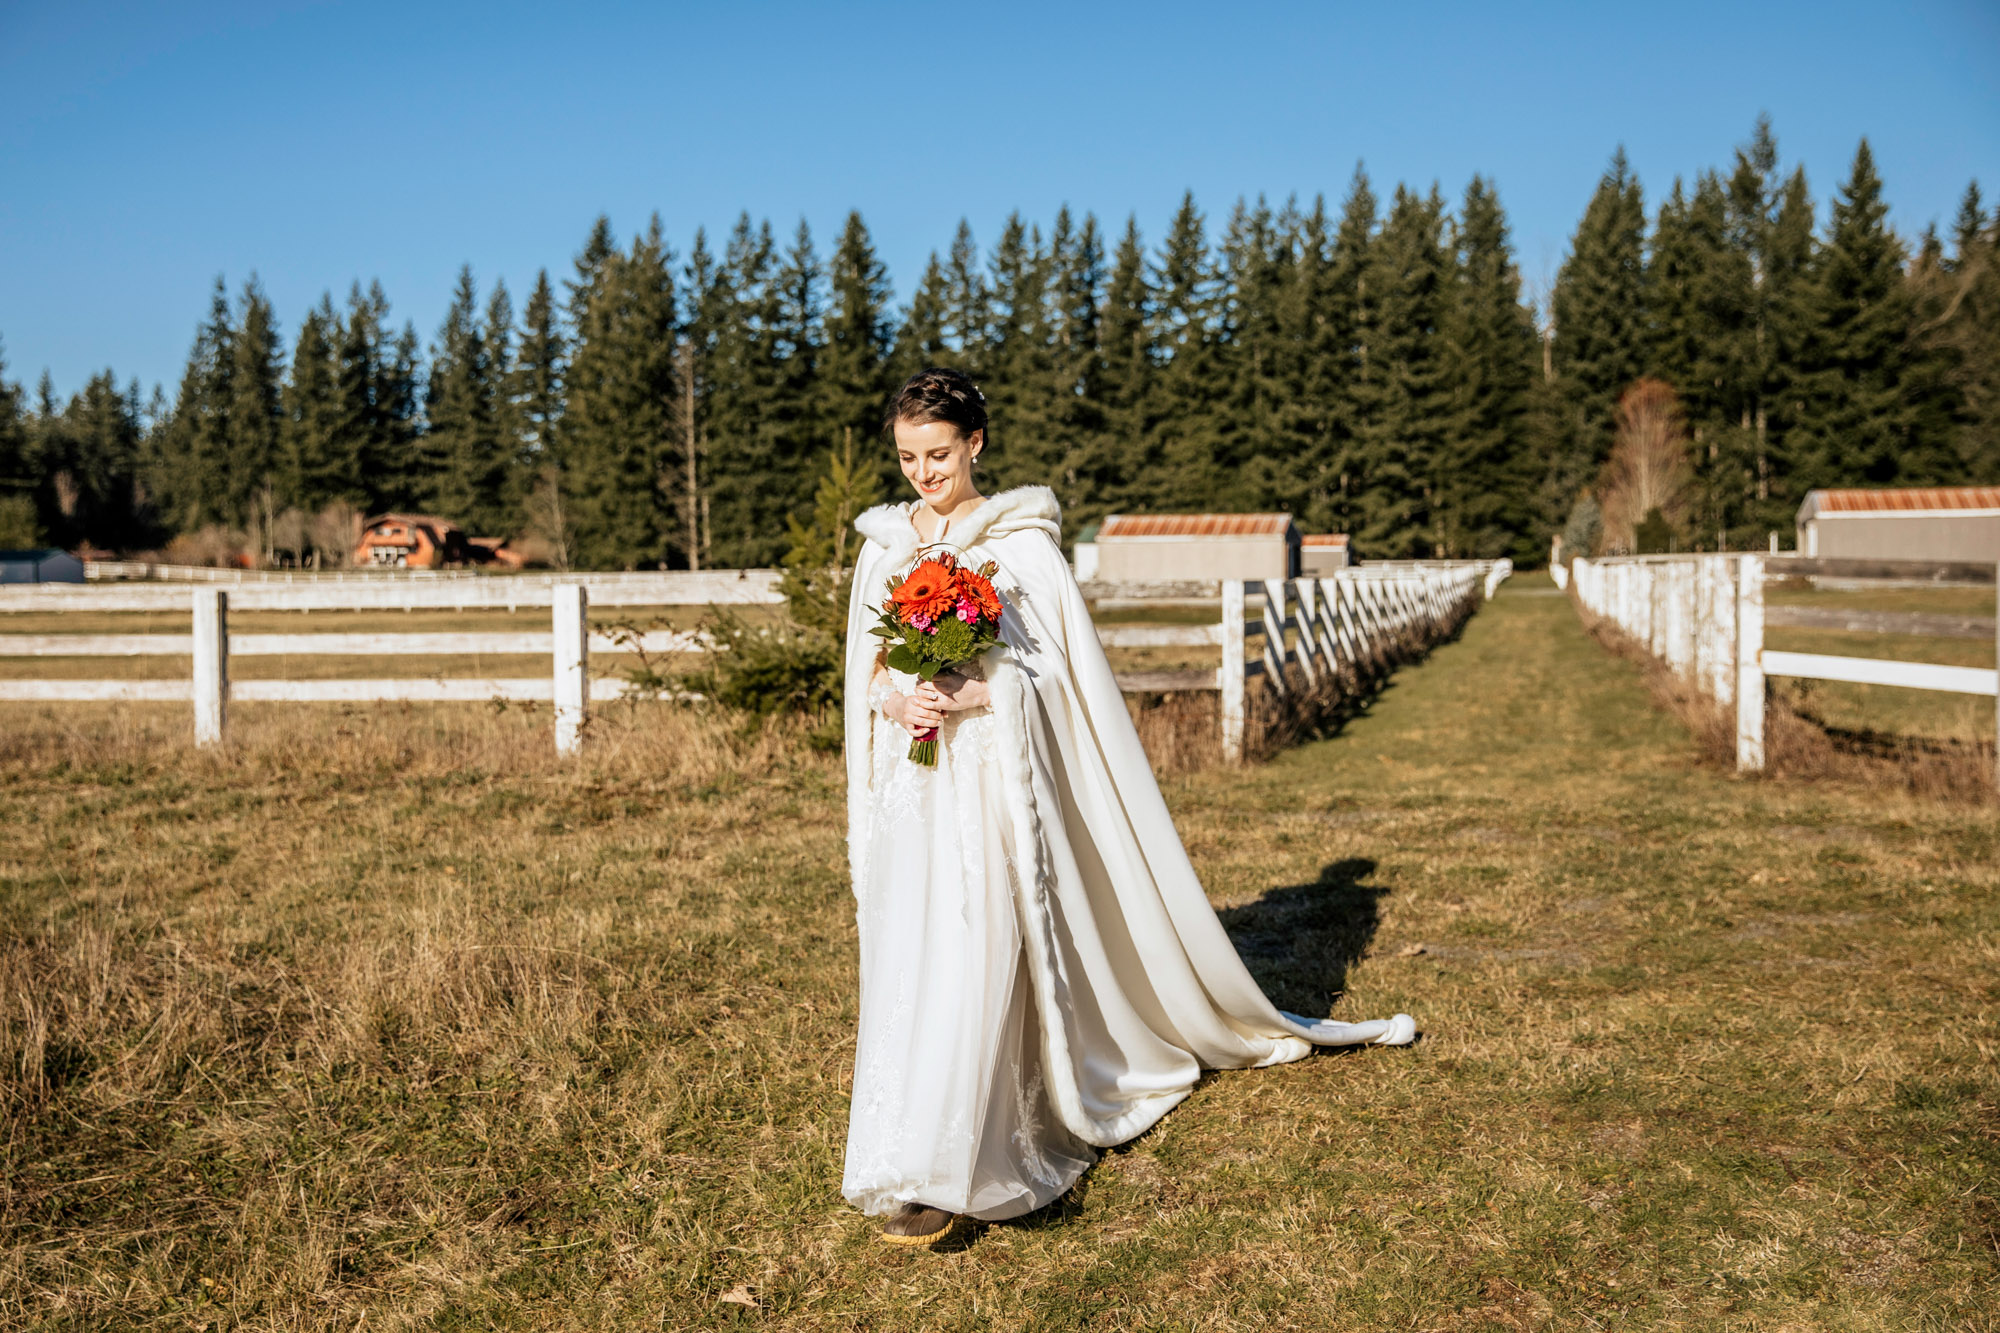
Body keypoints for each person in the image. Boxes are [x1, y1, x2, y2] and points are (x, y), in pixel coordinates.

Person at [841, 367, 1415, 1247]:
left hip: (993, 783)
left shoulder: (1020, 545)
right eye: (910, 456)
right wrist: (897, 702)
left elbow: (1053, 677)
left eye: (940, 454)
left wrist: (969, 693)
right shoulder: (883, 550)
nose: (924, 472)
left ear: (975, 444)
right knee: (917, 946)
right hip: (916, 786)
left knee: (978, 940)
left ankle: (957, 1160)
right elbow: (870, 670)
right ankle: (905, 1135)